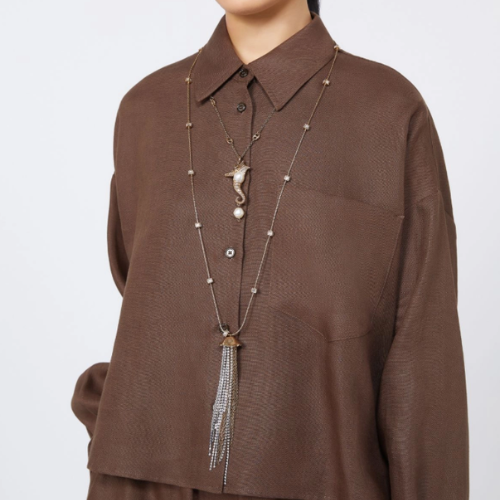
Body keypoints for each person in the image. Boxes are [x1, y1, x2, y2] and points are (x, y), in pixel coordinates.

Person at [71, 0, 469, 499]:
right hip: (141, 478)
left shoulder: (388, 111)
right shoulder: (145, 109)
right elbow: (142, 297)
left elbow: (422, 350)